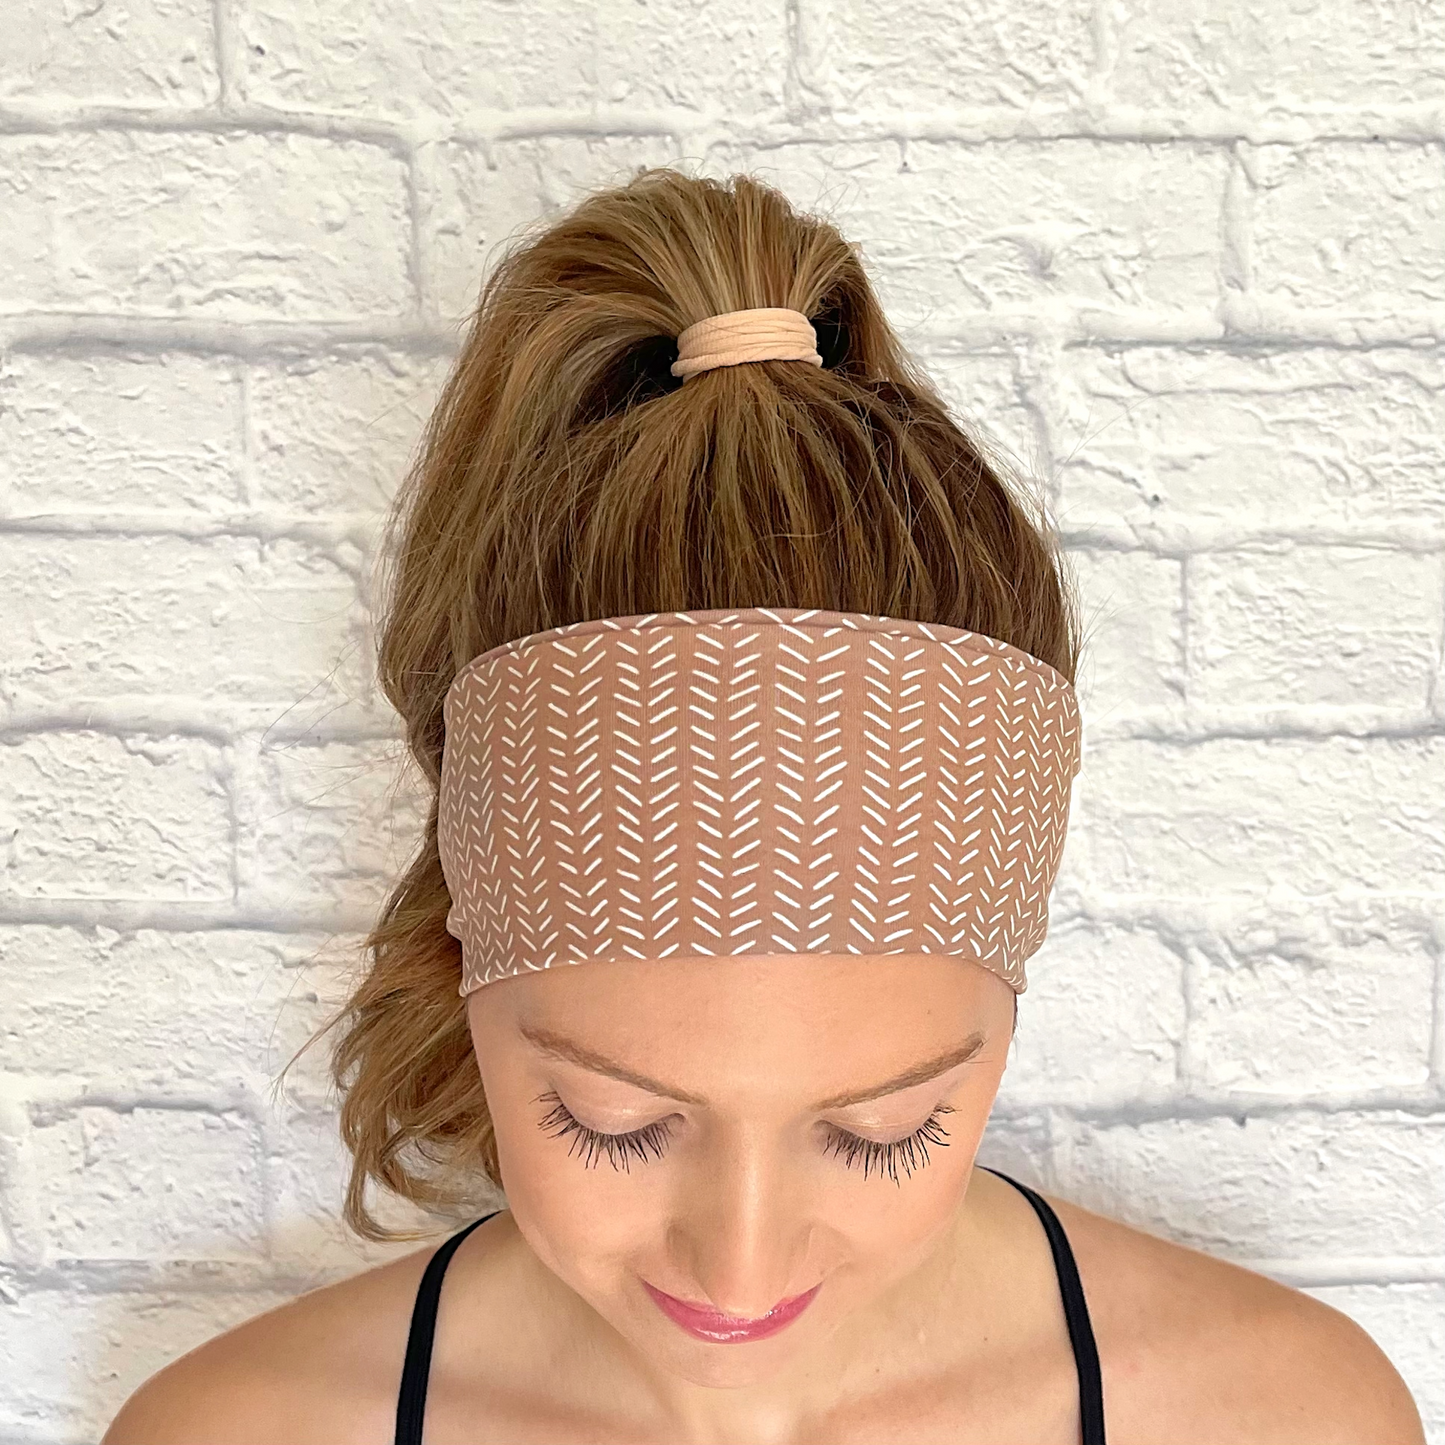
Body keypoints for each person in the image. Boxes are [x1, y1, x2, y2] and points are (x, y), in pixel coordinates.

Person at [103, 167, 1423, 1445]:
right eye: (611, 1123)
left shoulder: (1285, 1423)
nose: (739, 1270)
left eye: (883, 1131)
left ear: (1002, 1022)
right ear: (458, 961)